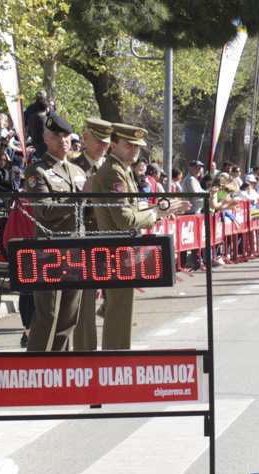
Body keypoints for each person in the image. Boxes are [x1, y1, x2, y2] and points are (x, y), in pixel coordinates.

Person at [90, 124, 189, 349]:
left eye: (137, 146)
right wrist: (156, 213)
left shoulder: (122, 169)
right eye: (129, 145)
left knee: (121, 314)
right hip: (116, 249)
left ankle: (116, 361)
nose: (135, 150)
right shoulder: (113, 171)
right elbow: (123, 219)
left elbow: (130, 212)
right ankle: (114, 366)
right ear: (113, 145)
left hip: (121, 248)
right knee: (118, 316)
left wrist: (157, 210)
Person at [24, 114, 87, 352]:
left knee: (70, 315)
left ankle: (59, 367)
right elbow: (45, 211)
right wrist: (81, 197)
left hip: (78, 249)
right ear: (45, 138)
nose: (63, 141)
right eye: (56, 136)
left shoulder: (77, 171)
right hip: (49, 252)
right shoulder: (37, 170)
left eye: (66, 136)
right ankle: (35, 369)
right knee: (47, 314)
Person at [71, 118, 114, 353]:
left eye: (106, 141)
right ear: (85, 139)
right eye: (98, 140)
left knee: (114, 303)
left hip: (110, 241)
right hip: (86, 243)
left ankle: (112, 355)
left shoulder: (112, 168)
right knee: (85, 307)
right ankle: (86, 355)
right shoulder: (73, 167)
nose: (103, 145)